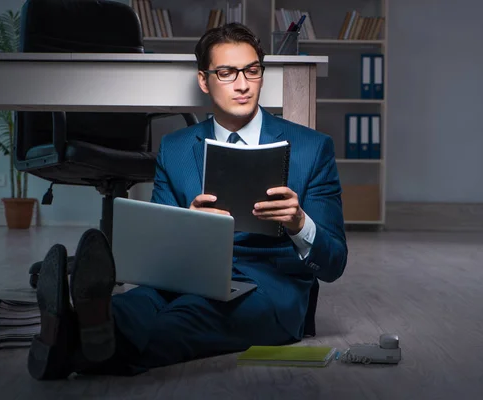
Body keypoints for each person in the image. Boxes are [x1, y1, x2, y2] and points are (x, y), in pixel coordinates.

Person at [27, 22, 347, 380]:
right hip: (188, 275)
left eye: (252, 71)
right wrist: (190, 223)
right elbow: (160, 254)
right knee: (137, 304)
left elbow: (334, 263)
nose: (242, 84)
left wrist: (299, 223)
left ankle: (64, 340)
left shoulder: (312, 148)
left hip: (269, 290)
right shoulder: (177, 148)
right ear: (204, 80)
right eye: (226, 73)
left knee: (190, 316)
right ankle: (83, 335)